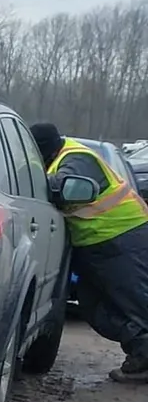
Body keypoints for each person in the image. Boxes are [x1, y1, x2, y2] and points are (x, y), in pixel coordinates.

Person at [31, 122, 148, 383]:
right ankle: (141, 348)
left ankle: (143, 357)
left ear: (43, 149)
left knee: (134, 303)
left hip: (121, 235)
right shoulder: (57, 159)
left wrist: (30, 179)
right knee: (93, 305)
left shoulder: (77, 158)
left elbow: (61, 188)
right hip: (98, 242)